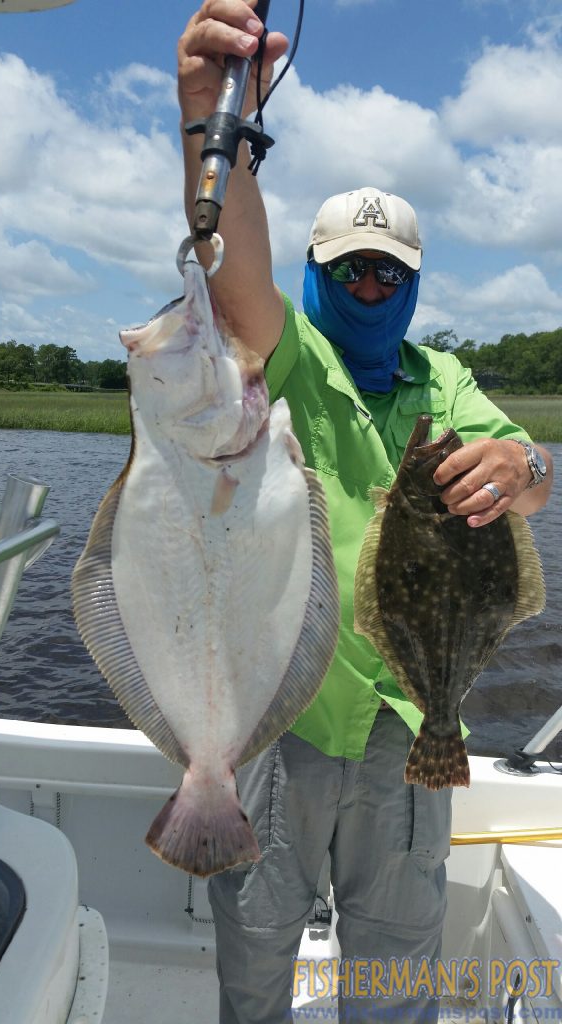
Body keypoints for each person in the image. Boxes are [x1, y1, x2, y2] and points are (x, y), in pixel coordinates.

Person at [178, 4, 554, 1022]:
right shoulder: (289, 355)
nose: (371, 284)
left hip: (409, 726)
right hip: (285, 712)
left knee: (395, 969)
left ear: (417, 282)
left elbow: (534, 468)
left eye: (390, 271)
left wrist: (522, 461)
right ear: (319, 270)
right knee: (257, 959)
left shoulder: (446, 377)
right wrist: (214, 126)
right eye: (350, 267)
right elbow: (235, 268)